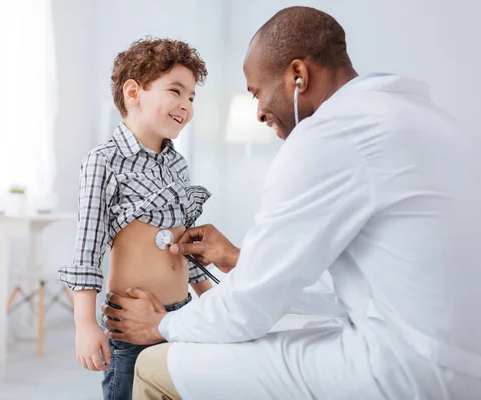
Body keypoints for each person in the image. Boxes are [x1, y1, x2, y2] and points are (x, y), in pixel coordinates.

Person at [102, 6, 481, 399]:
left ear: (297, 76)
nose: (260, 112)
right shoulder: (426, 120)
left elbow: (247, 313)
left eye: (257, 92)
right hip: (458, 363)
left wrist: (161, 326)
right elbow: (345, 293)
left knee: (152, 365)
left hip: (405, 371)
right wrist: (238, 259)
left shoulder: (330, 136)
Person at [58, 37, 214, 400]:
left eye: (191, 97)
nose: (186, 105)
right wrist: (84, 323)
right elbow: (87, 248)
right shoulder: (104, 161)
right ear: (133, 92)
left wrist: (208, 298)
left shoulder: (177, 164)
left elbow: (183, 244)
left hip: (180, 317)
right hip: (129, 325)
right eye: (176, 91)